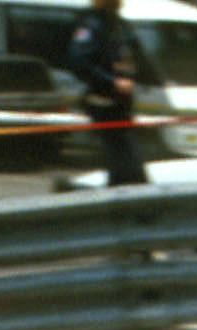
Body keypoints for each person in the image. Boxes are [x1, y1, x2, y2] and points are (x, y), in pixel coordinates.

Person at [62, 0, 148, 189]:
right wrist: (112, 82)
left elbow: (131, 56)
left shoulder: (119, 25)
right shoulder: (93, 25)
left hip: (122, 105)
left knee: (130, 168)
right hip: (104, 104)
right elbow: (79, 62)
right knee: (124, 165)